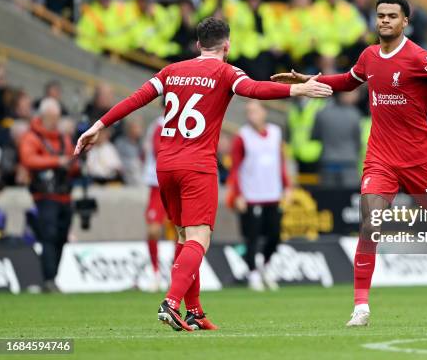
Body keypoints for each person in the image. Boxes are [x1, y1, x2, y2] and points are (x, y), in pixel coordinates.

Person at [74, 17, 332, 332]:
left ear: (198, 45)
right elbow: (253, 90)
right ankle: (171, 302)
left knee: (184, 237)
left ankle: (194, 310)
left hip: (165, 166)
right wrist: (298, 89)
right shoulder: (226, 71)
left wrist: (97, 127)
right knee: (200, 237)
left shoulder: (171, 71)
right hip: (197, 166)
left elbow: (135, 100)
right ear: (227, 45)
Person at [272, 0, 427, 326]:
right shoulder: (369, 56)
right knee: (370, 223)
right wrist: (308, 81)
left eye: (391, 16)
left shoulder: (419, 59)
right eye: (380, 15)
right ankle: (360, 307)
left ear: (405, 22)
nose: (384, 20)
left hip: (420, 160)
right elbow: (345, 82)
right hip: (380, 158)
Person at [227, 100, 290, 291]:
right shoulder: (242, 137)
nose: (251, 115)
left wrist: (287, 185)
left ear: (264, 112)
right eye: (248, 112)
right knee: (252, 237)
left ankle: (266, 265)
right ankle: (253, 272)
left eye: (254, 111)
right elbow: (235, 168)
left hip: (272, 193)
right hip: (251, 195)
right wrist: (237, 193)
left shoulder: (275, 133)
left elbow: (281, 162)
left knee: (275, 235)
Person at [18, 98, 77, 292]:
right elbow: (28, 159)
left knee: (60, 237)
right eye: (51, 117)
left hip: (64, 196)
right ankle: (49, 278)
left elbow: (70, 160)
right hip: (44, 196)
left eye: (56, 117)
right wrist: (55, 161)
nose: (54, 121)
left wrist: (76, 164)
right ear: (42, 116)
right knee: (49, 236)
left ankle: (52, 277)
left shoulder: (63, 137)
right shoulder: (32, 136)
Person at [312, 90, 361, 187]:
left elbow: (315, 136)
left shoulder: (322, 113)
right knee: (349, 197)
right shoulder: (355, 114)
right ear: (342, 94)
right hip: (349, 164)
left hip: (328, 162)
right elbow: (358, 142)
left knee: (329, 198)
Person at [142, 114, 167, 291]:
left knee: (185, 230)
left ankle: (179, 273)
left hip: (182, 182)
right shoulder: (159, 125)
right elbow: (158, 151)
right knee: (153, 229)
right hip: (158, 183)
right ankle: (154, 271)